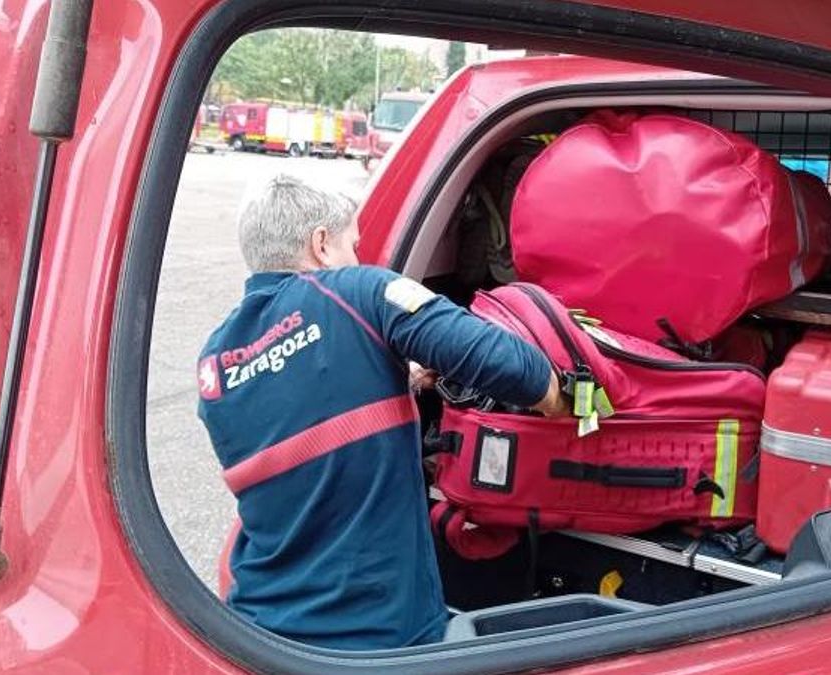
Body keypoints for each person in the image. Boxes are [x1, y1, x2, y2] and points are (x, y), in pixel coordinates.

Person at [197, 174, 566, 650]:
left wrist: (403, 379)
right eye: (352, 243)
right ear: (322, 245)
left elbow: (299, 411)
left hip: (260, 633)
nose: (357, 256)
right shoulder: (357, 291)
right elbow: (504, 362)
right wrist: (558, 402)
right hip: (381, 640)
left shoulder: (216, 362)